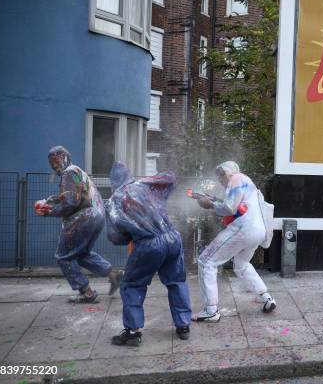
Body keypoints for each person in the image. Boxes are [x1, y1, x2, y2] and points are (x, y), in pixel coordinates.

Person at [105, 162, 192, 346]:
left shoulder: (115, 200)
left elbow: (115, 237)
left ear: (113, 180)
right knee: (177, 281)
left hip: (149, 245)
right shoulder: (144, 186)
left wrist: (130, 234)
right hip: (173, 238)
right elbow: (170, 178)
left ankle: (132, 332)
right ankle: (183, 325)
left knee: (131, 285)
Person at [35, 146, 122, 304]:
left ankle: (87, 293)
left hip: (83, 218)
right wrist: (51, 201)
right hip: (96, 216)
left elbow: (71, 202)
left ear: (65, 157)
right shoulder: (78, 172)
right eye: (51, 162)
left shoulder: (69, 173)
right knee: (81, 254)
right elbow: (74, 195)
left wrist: (49, 211)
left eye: (56, 160)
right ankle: (113, 274)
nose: (54, 165)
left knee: (63, 256)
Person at [192, 161, 276, 322]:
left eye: (220, 176)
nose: (220, 181)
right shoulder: (247, 182)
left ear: (227, 172)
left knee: (206, 261)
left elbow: (229, 208)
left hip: (244, 229)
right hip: (258, 231)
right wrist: (213, 199)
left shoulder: (236, 179)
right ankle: (266, 297)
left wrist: (209, 204)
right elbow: (237, 207)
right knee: (242, 265)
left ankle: (210, 310)